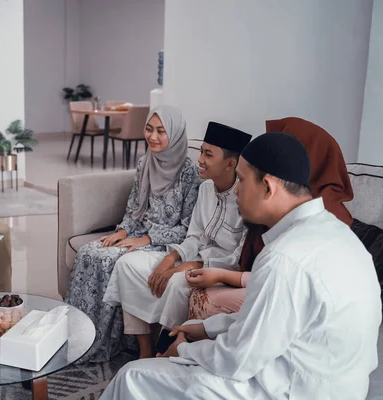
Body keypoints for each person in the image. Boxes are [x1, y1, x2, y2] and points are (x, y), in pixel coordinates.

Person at [101, 132, 381, 399]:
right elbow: (267, 321)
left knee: (133, 376)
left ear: (268, 187)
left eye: (243, 181)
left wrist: (184, 350)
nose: (236, 192)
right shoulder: (337, 234)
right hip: (334, 383)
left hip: (293, 389)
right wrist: (206, 328)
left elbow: (237, 360)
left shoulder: (285, 258)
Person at [65, 105, 202, 363]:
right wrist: (124, 230)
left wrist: (146, 240)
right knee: (90, 252)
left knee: (109, 261)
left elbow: (187, 228)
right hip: (139, 233)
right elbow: (134, 208)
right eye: (149, 129)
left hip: (167, 244)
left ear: (175, 133)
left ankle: (106, 342)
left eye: (161, 131)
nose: (153, 137)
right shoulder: (145, 162)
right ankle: (78, 336)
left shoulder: (189, 173)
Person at [103, 121, 252, 358]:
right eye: (201, 151)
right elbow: (194, 237)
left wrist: (188, 266)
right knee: (128, 265)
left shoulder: (246, 199)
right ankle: (144, 349)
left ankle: (164, 353)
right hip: (192, 256)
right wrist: (171, 258)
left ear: (230, 164)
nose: (200, 159)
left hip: (217, 270)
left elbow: (237, 258)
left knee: (177, 283)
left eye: (208, 154)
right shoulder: (205, 190)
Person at [187, 117, 355, 320]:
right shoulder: (275, 205)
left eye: (285, 151)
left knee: (202, 299)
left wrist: (221, 274)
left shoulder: (323, 226)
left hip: (285, 312)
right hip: (258, 291)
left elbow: (276, 291)